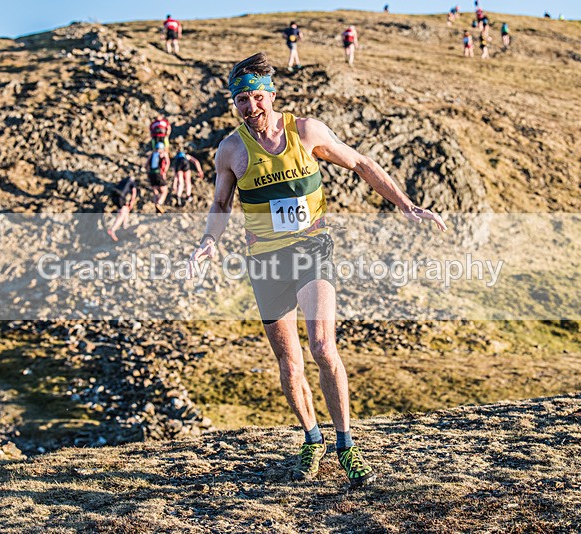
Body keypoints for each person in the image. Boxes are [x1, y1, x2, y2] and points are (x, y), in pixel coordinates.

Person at [189, 53, 447, 487]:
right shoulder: (231, 150)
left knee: (323, 347)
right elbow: (220, 205)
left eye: (256, 96)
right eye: (240, 100)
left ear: (272, 95)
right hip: (266, 261)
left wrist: (406, 204)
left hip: (311, 248)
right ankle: (312, 439)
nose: (250, 107)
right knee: (290, 366)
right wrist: (208, 241)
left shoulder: (305, 131)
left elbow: (361, 163)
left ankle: (346, 446)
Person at [107, 176, 138, 241]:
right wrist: (131, 203)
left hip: (114, 194)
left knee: (125, 210)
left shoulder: (124, 180)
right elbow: (134, 193)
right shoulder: (132, 182)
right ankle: (112, 229)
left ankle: (125, 226)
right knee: (123, 212)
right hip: (120, 196)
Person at [145, 142, 171, 212]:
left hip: (151, 174)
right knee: (164, 191)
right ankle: (159, 204)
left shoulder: (152, 154)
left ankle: (156, 207)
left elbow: (146, 165)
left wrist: (148, 173)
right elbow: (167, 162)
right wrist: (164, 171)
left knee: (155, 190)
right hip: (158, 173)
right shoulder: (163, 153)